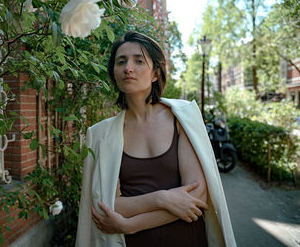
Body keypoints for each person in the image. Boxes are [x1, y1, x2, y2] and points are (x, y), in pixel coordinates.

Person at [75, 31, 236, 247]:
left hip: (187, 238)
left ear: (155, 74)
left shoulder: (182, 116)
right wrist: (162, 198)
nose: (128, 68)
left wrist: (129, 225)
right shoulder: (101, 135)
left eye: (139, 61)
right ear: (113, 73)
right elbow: (109, 204)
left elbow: (196, 195)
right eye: (121, 62)